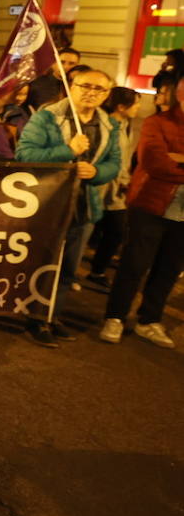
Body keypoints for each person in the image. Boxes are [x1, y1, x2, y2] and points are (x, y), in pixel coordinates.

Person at [16, 67, 120, 347]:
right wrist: (68, 152)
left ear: (107, 94)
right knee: (45, 263)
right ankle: (35, 318)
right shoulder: (47, 118)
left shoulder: (109, 125)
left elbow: (114, 165)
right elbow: (25, 155)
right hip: (48, 205)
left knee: (69, 269)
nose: (91, 93)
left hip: (84, 208)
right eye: (85, 86)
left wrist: (96, 172)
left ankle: (52, 316)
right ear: (71, 86)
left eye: (99, 89)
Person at [100, 69, 184, 349]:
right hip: (150, 204)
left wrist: (178, 159)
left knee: (169, 269)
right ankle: (115, 316)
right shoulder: (156, 122)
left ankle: (149, 320)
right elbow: (154, 161)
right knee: (134, 264)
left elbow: (169, 163)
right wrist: (171, 161)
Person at [87, 87, 140, 288]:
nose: (138, 108)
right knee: (91, 229)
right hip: (102, 187)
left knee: (115, 231)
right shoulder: (105, 126)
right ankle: (74, 273)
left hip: (119, 188)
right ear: (120, 106)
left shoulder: (126, 124)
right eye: (135, 104)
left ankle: (97, 270)